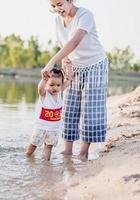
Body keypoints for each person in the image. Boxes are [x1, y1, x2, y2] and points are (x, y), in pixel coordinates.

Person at [42, 0, 109, 160]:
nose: (57, 9)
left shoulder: (85, 15)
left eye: (59, 4)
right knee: (70, 106)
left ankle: (83, 152)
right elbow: (63, 43)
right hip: (74, 65)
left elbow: (74, 41)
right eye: (53, 6)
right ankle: (67, 149)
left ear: (70, 0)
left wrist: (52, 62)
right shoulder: (58, 19)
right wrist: (66, 62)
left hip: (95, 64)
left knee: (90, 108)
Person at [26, 68, 72, 160]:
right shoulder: (44, 94)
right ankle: (28, 156)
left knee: (49, 146)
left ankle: (46, 164)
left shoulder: (59, 93)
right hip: (41, 127)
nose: (55, 87)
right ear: (46, 84)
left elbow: (67, 83)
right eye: (51, 85)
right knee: (33, 144)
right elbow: (40, 89)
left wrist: (69, 78)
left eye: (58, 85)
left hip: (54, 129)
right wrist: (43, 79)